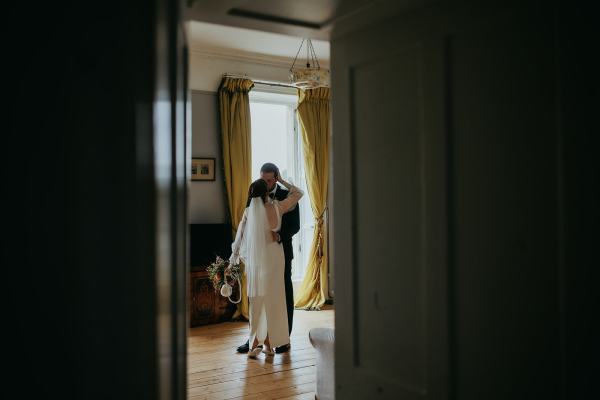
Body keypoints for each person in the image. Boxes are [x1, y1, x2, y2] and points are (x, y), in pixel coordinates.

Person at [229, 175, 303, 358]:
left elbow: (238, 239)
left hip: (257, 259)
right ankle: (269, 344)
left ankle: (257, 343)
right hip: (275, 257)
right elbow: (299, 193)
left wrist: (233, 260)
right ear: (267, 192)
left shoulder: (248, 212)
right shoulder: (278, 207)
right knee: (274, 299)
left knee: (257, 300)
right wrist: (282, 181)